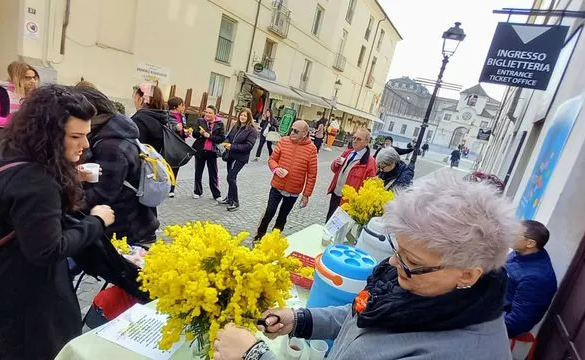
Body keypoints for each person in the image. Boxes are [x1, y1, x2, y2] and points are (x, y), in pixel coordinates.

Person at [213, 174, 519, 360]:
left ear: (467, 274)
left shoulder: (460, 352)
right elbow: (364, 315)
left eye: (412, 262)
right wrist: (301, 320)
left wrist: (254, 355)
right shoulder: (428, 291)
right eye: (397, 250)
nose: (394, 264)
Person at [0, 85, 116, 360]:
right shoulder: (36, 180)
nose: (86, 145)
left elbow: (11, 202)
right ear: (50, 135)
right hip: (7, 311)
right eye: (76, 136)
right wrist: (96, 222)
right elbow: (48, 250)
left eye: (87, 135)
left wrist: (68, 178)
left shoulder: (2, 151)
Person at [75, 85, 159, 246]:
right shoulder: (111, 131)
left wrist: (62, 200)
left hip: (127, 232)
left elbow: (102, 194)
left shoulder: (111, 146)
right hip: (129, 225)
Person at [254, 120, 318, 241]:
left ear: (304, 133)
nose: (292, 132)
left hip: (293, 190)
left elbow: (312, 174)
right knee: (269, 212)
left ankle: (274, 240)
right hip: (277, 185)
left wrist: (306, 195)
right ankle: (259, 236)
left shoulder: (311, 149)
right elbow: (272, 160)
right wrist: (276, 169)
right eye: (291, 129)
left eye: (296, 131)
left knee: (283, 216)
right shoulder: (283, 141)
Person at [504, 220, 558, 339]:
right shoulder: (522, 253)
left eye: (514, 233)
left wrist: (484, 328)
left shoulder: (536, 279)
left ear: (530, 243)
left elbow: (517, 322)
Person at [326, 128, 377, 222]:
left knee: (338, 228)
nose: (355, 141)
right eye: (354, 138)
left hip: (349, 202)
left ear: (366, 142)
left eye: (359, 139)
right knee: (328, 221)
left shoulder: (370, 162)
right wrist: (335, 164)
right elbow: (334, 169)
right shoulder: (347, 152)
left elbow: (369, 187)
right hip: (336, 194)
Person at [0, 61, 38, 145]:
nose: (33, 81)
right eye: (27, 78)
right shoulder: (0, 91)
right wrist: (12, 121)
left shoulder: (37, 94)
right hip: (4, 139)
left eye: (34, 77)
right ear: (16, 77)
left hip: (28, 139)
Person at [218, 108, 259, 211]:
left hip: (240, 157)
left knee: (231, 177)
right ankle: (229, 198)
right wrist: (226, 143)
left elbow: (248, 146)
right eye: (241, 115)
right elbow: (229, 137)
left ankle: (236, 202)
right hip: (230, 155)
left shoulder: (252, 130)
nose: (242, 117)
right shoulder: (236, 126)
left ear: (249, 117)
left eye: (245, 116)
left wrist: (233, 146)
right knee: (231, 177)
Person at [130, 82, 174, 153]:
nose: (134, 101)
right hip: (154, 160)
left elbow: (134, 148)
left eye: (135, 97)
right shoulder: (161, 116)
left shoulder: (139, 119)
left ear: (141, 99)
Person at [192, 105, 225, 201]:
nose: (207, 114)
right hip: (200, 150)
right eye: (206, 112)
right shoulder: (200, 121)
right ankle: (197, 191)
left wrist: (208, 136)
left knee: (213, 173)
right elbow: (194, 134)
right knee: (198, 172)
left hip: (212, 151)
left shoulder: (219, 124)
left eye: (210, 113)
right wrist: (200, 133)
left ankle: (216, 194)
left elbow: (221, 139)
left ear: (215, 114)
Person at [167, 96, 189, 197]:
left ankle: (172, 187)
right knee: (166, 165)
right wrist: (175, 128)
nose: (183, 107)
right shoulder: (166, 115)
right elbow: (166, 127)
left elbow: (183, 128)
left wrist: (185, 132)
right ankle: (164, 186)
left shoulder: (183, 116)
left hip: (180, 143)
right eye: (182, 105)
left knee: (176, 165)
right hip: (170, 143)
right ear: (176, 106)